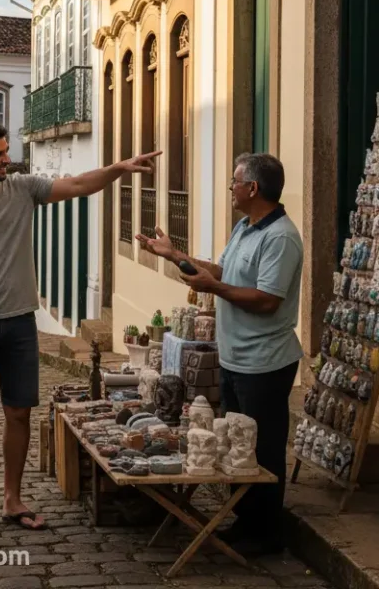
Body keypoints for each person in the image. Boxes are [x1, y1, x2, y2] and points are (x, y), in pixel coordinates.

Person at [0, 122, 160, 536]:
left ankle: (12, 498)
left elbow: (78, 184)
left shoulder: (22, 189)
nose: (7, 159)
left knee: (19, 412)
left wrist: (118, 168)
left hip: (18, 322)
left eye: (6, 151)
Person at [137, 152, 302, 556]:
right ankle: (245, 522)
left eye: (234, 182)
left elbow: (266, 300)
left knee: (261, 449)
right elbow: (223, 272)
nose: (230, 188)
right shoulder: (245, 227)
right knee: (235, 446)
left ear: (253, 188)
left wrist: (213, 289)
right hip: (235, 358)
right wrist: (175, 255)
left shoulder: (280, 237)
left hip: (264, 361)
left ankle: (265, 533)